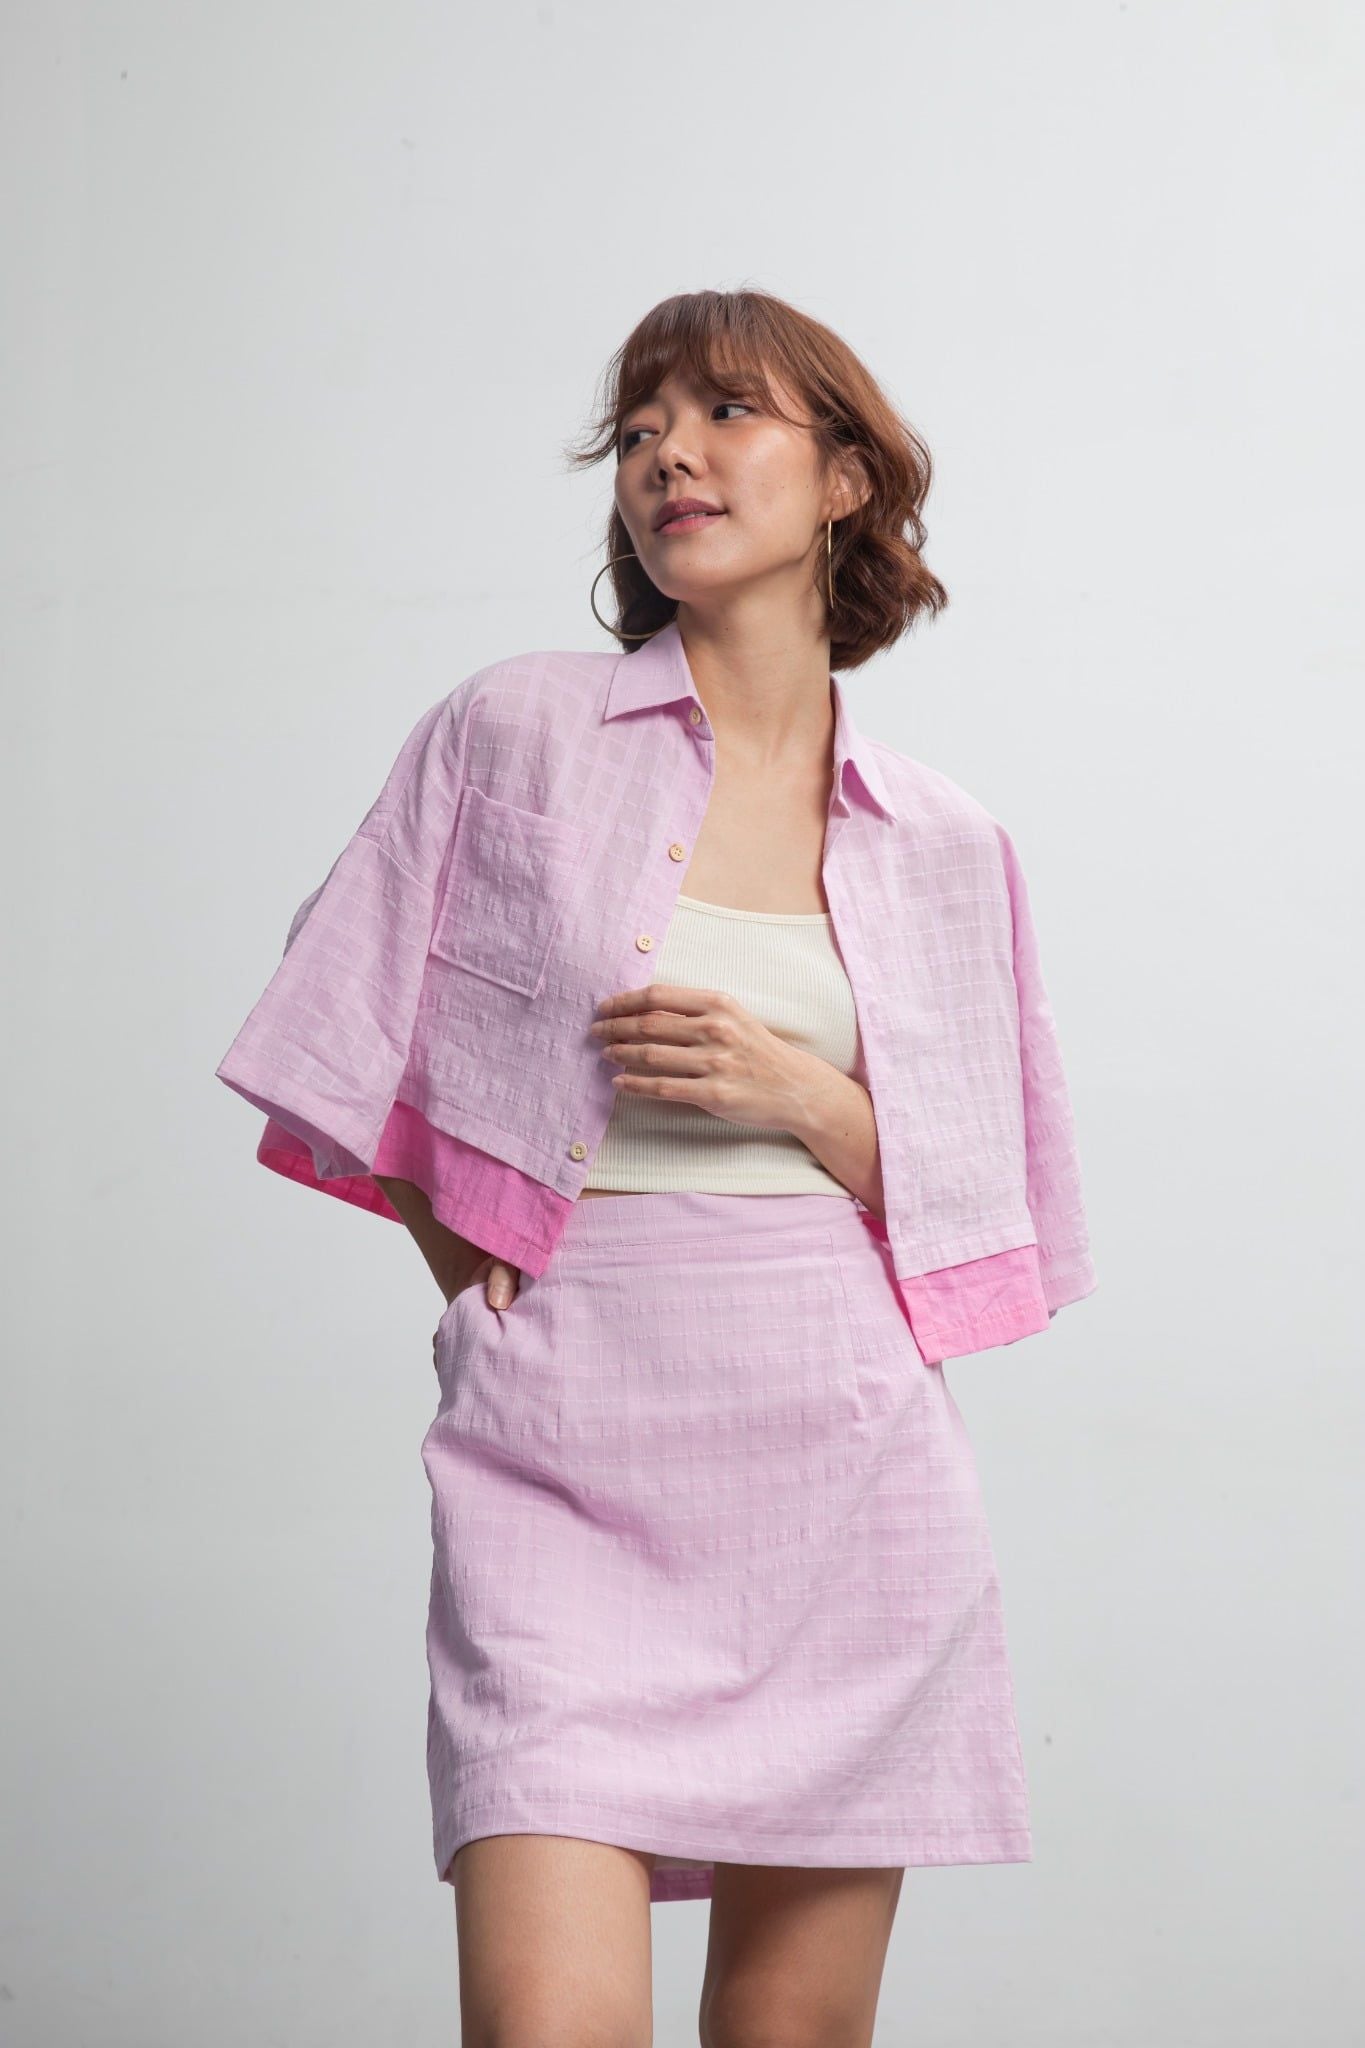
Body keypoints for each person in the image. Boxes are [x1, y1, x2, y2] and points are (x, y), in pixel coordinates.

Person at [216, 286, 1096, 2044]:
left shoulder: (943, 840)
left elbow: (985, 1197)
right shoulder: (512, 732)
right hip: (561, 1445)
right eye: (636, 432)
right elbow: (347, 1021)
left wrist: (800, 1096)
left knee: (788, 2037)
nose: (666, 456)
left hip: (846, 1460)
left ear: (845, 479)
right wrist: (478, 1277)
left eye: (723, 413)